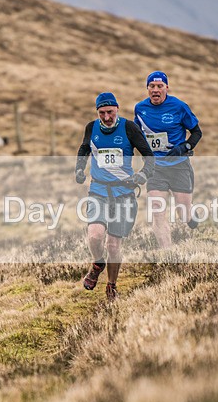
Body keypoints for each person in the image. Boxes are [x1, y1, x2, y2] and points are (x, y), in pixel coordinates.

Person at [75, 92, 155, 301]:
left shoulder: (129, 128)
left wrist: (143, 175)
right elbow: (84, 148)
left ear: (117, 109)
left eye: (110, 112)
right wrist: (79, 169)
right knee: (94, 235)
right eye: (102, 113)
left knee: (113, 245)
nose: (106, 117)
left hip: (123, 193)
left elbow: (149, 156)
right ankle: (97, 263)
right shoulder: (91, 128)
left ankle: (111, 285)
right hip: (98, 191)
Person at [134, 71, 203, 248]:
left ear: (166, 87)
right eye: (152, 86)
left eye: (159, 86)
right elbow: (137, 134)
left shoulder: (179, 107)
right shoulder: (140, 109)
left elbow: (197, 132)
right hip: (156, 168)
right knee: (157, 210)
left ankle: (189, 216)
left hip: (179, 166)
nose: (155, 90)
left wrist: (184, 147)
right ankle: (168, 254)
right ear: (147, 88)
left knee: (183, 213)